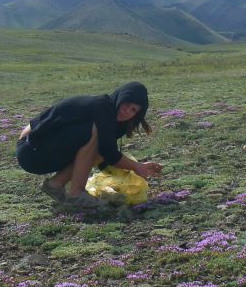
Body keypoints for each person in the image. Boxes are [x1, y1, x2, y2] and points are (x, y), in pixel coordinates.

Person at [16, 81, 163, 209]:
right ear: (120, 97)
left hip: (39, 150)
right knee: (94, 133)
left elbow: (105, 154)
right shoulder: (102, 107)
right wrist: (137, 166)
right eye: (127, 104)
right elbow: (109, 153)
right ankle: (76, 195)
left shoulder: (114, 119)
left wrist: (134, 168)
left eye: (133, 110)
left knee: (98, 144)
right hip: (32, 151)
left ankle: (55, 185)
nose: (127, 111)